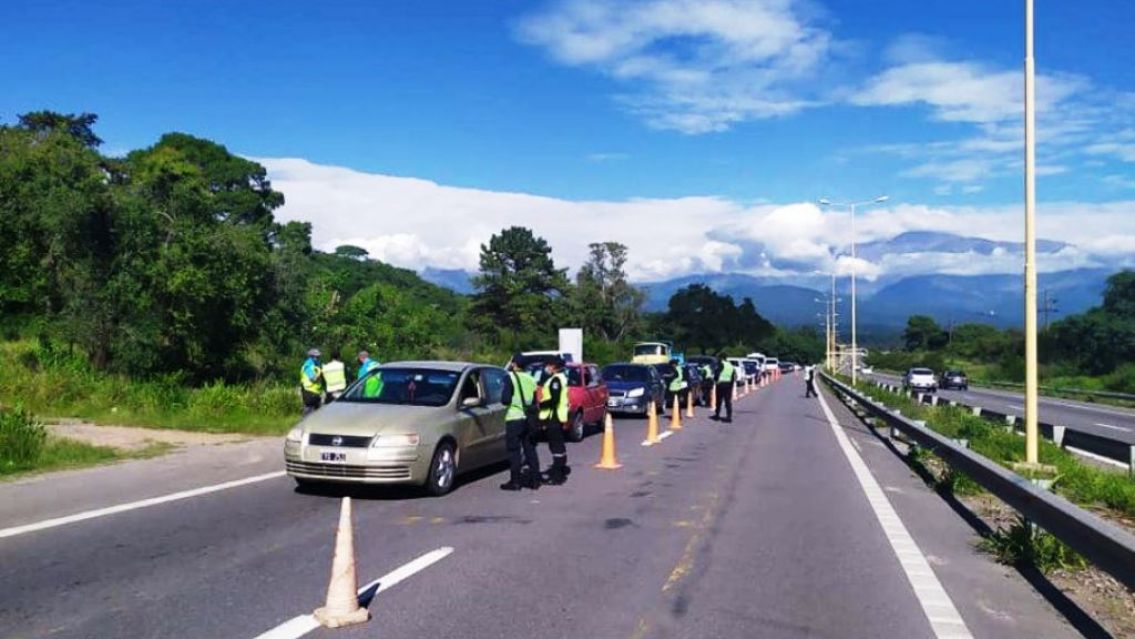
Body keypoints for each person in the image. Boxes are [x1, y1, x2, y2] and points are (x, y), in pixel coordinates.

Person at [500, 354, 542, 491]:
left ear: (514, 364)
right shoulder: (532, 379)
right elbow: (536, 401)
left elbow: (505, 399)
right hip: (529, 418)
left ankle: (515, 481)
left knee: (514, 451)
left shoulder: (510, 377)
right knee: (530, 448)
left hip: (514, 417)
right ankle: (536, 480)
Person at [538, 356, 571, 485]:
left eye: (548, 365)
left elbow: (554, 400)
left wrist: (541, 405)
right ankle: (561, 471)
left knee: (556, 446)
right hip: (558, 416)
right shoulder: (561, 378)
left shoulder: (556, 380)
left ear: (553, 366)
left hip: (554, 416)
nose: (546, 368)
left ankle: (557, 476)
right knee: (559, 446)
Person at [712, 352, 735, 423]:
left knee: (718, 401)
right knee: (728, 401)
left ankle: (717, 415)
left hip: (720, 384)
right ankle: (729, 417)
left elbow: (717, 373)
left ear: (721, 358)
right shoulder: (730, 365)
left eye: (718, 358)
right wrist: (731, 386)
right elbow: (732, 377)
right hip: (728, 385)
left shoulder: (720, 364)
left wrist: (715, 380)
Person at [300, 348, 323, 415]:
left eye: (319, 357)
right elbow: (313, 378)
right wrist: (319, 374)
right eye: (317, 357)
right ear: (312, 357)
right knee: (309, 414)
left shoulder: (316, 365)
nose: (319, 358)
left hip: (315, 392)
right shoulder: (308, 366)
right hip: (309, 392)